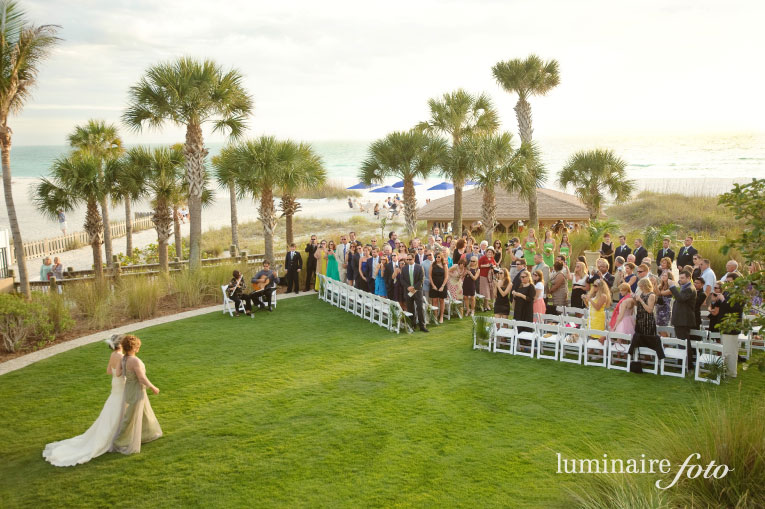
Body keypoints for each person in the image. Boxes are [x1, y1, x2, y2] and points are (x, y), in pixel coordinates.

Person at [43, 335, 127, 466]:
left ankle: (118, 432)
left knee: (113, 407)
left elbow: (108, 371)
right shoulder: (121, 357)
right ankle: (115, 436)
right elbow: (117, 373)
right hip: (120, 385)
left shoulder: (113, 355)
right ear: (121, 344)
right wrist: (126, 375)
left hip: (115, 386)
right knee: (118, 407)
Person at [111, 335, 162, 455]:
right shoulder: (135, 360)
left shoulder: (124, 359)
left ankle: (146, 434)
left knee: (144, 412)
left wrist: (119, 361)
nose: (139, 348)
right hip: (136, 390)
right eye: (137, 346)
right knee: (131, 417)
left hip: (129, 389)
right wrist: (153, 387)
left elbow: (118, 373)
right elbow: (141, 378)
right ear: (133, 347)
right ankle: (120, 442)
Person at [667, 269, 697, 369]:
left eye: (683, 278)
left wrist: (672, 286)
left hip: (684, 320)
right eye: (680, 278)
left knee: (684, 342)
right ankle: (682, 363)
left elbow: (680, 298)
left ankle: (687, 364)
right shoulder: (684, 287)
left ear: (689, 278)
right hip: (680, 319)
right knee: (681, 342)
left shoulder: (690, 288)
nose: (680, 280)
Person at [718, 273, 744, 378]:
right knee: (726, 349)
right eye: (726, 282)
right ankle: (726, 370)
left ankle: (731, 372)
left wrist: (723, 300)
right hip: (725, 324)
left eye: (729, 282)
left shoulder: (739, 293)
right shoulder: (728, 291)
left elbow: (736, 308)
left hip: (732, 325)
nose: (727, 284)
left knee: (731, 350)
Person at [401, 253, 428, 332]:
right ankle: (412, 325)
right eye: (407, 259)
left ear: (413, 259)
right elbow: (402, 280)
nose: (408, 261)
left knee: (420, 308)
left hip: (417, 291)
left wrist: (414, 288)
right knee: (410, 309)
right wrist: (408, 287)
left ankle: (422, 325)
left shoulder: (419, 267)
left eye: (410, 259)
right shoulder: (404, 268)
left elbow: (421, 279)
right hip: (408, 291)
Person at [429, 252, 448, 323]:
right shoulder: (432, 265)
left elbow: (446, 277)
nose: (437, 258)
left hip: (442, 285)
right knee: (434, 301)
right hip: (434, 285)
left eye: (439, 257)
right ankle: (435, 316)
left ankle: (441, 316)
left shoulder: (444, 265)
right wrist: (433, 285)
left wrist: (442, 286)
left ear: (442, 257)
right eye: (436, 257)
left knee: (441, 301)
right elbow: (430, 276)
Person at [478, 247, 497, 312]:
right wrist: (487, 265)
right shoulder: (483, 258)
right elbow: (479, 265)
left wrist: (493, 266)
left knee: (489, 291)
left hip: (490, 277)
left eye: (491, 252)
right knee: (485, 291)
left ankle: (486, 305)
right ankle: (486, 306)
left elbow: (495, 265)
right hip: (483, 276)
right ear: (486, 252)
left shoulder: (492, 258)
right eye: (489, 252)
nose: (490, 253)